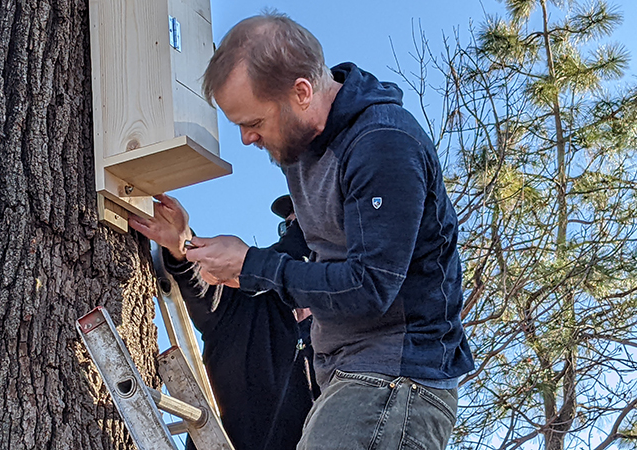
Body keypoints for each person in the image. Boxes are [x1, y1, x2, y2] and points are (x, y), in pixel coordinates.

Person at [177, 11, 475, 450]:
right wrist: (188, 247)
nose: (245, 138)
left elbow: (371, 286)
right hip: (350, 375)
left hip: (395, 377)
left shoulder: (383, 145)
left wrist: (252, 266)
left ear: (302, 91)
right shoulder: (303, 149)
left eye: (254, 122)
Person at [130, 194, 319, 450]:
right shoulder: (243, 303)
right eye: (286, 228)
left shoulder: (351, 331)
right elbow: (204, 285)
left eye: (302, 229)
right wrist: (182, 244)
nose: (290, 238)